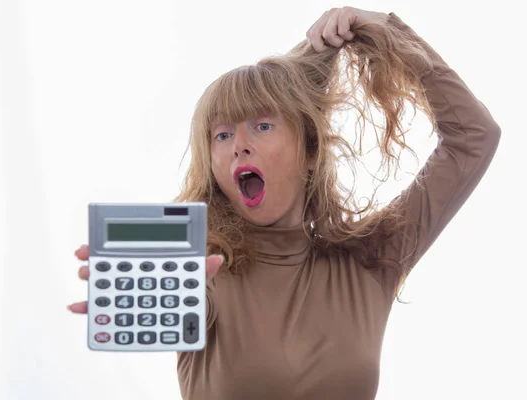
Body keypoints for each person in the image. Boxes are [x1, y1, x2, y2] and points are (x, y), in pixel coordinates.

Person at [68, 6, 500, 400]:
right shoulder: (205, 269)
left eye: (261, 124)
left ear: (310, 152)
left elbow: (473, 139)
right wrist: (143, 292)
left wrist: (388, 30)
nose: (239, 145)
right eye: (222, 135)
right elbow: (169, 303)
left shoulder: (371, 261)